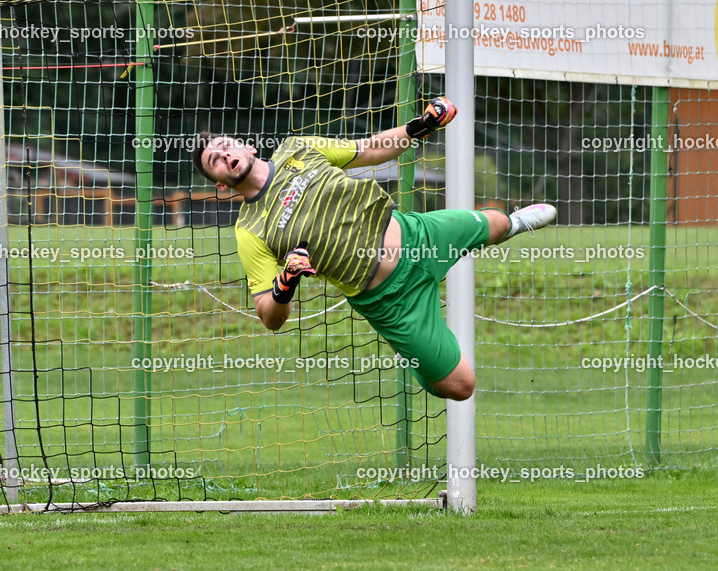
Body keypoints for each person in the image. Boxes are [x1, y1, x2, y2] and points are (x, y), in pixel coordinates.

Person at [191, 98, 556, 401]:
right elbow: (269, 316)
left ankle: (518, 222)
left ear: (248, 146)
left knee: (495, 223)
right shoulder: (249, 230)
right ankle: (422, 363)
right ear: (221, 186)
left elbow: (371, 149)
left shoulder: (298, 150)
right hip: (390, 300)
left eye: (226, 147)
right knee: (460, 387)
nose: (224, 156)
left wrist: (421, 126)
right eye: (215, 162)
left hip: (417, 237)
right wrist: (284, 284)